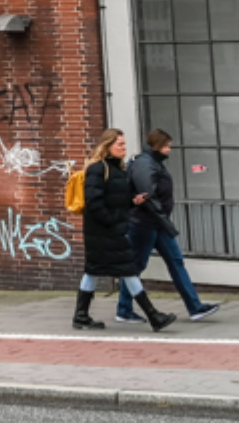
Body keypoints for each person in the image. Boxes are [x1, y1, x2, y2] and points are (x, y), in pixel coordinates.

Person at [75, 127, 174, 332]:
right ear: (108, 145)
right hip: (103, 231)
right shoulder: (97, 168)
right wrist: (112, 220)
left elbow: (117, 200)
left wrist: (132, 201)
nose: (124, 148)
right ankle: (153, 316)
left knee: (93, 270)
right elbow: (93, 202)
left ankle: (81, 316)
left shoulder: (119, 169)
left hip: (112, 229)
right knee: (128, 269)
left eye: (124, 144)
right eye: (119, 144)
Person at [115, 129, 221, 323]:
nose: (168, 151)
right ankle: (124, 309)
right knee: (136, 266)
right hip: (144, 224)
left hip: (157, 224)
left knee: (176, 261)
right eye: (166, 147)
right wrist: (162, 217)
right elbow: (148, 195)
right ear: (156, 146)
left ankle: (195, 307)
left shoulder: (151, 163)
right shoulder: (145, 164)